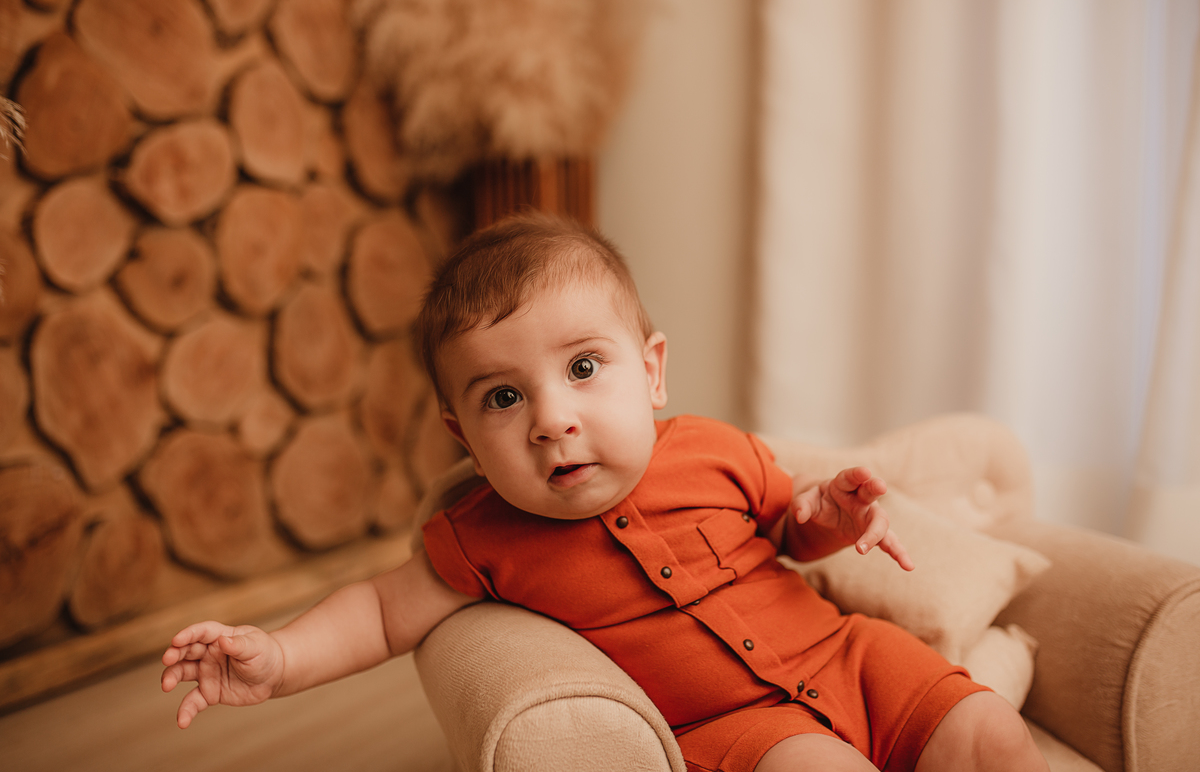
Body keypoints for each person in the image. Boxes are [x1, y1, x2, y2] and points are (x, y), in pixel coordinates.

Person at [162, 213, 1048, 772]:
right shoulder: (483, 536)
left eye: (584, 367)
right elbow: (379, 615)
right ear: (461, 436)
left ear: (651, 372)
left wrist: (826, 516)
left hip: (854, 658)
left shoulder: (713, 449)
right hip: (741, 735)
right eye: (503, 398)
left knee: (992, 736)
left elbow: (788, 526)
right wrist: (276, 659)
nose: (552, 419)